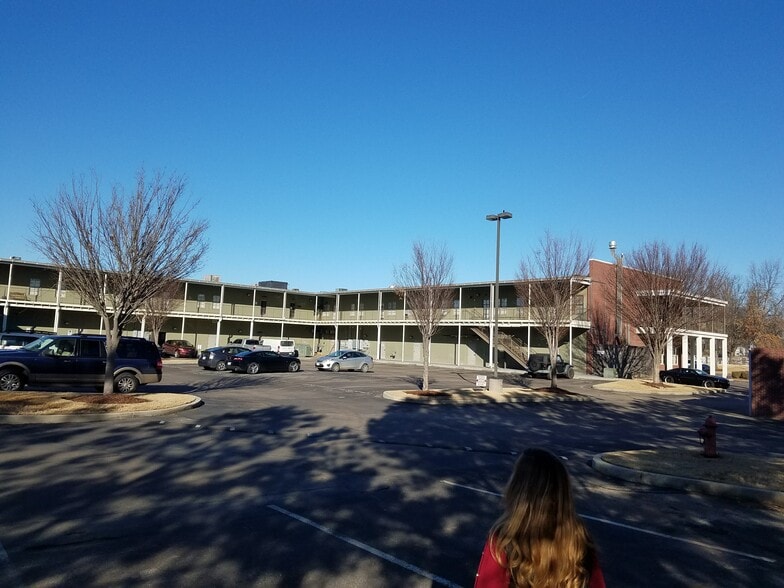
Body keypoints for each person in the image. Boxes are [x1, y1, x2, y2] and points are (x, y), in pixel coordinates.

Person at [475, 448, 606, 588]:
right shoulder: (579, 536)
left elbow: (486, 584)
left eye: (514, 473)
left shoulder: (504, 538)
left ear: (520, 489)